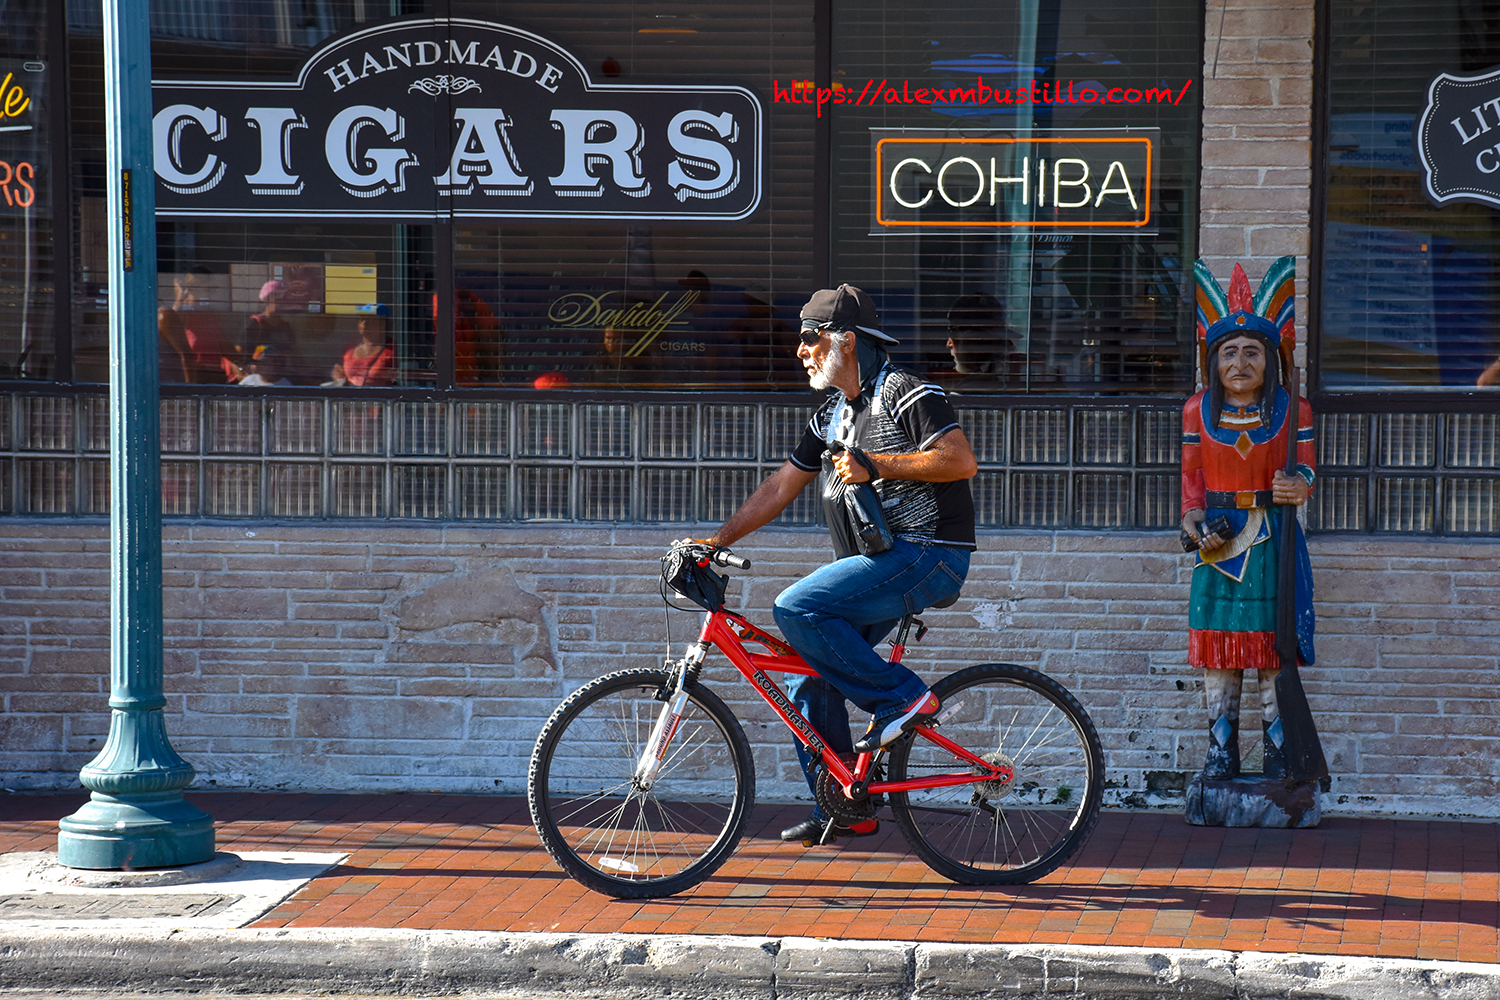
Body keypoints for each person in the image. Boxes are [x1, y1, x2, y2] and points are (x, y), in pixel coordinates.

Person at [701, 283, 979, 844]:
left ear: (846, 341)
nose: (800, 350)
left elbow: (959, 460)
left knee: (796, 607)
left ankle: (903, 698)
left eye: (810, 338)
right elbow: (781, 486)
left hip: (929, 553)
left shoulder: (905, 391)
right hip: (882, 560)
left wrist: (877, 464)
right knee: (809, 675)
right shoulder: (832, 414)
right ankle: (845, 808)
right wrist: (714, 542)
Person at [1180, 257, 1315, 783]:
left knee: (1272, 649)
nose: (1240, 362)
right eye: (1229, 352)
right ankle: (1222, 751)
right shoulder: (1197, 411)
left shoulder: (1293, 410)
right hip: (1219, 544)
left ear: (1271, 359)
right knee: (1220, 648)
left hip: (1273, 539)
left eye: (1252, 351)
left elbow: (1306, 467)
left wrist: (1298, 485)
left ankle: (1280, 753)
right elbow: (1192, 484)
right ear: (1212, 360)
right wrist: (1194, 522)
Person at [332, 303, 396, 387]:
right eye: (361, 320)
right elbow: (338, 368)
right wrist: (338, 376)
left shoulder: (393, 349)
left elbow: (400, 376)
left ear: (382, 324)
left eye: (370, 320)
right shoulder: (352, 344)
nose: (364, 324)